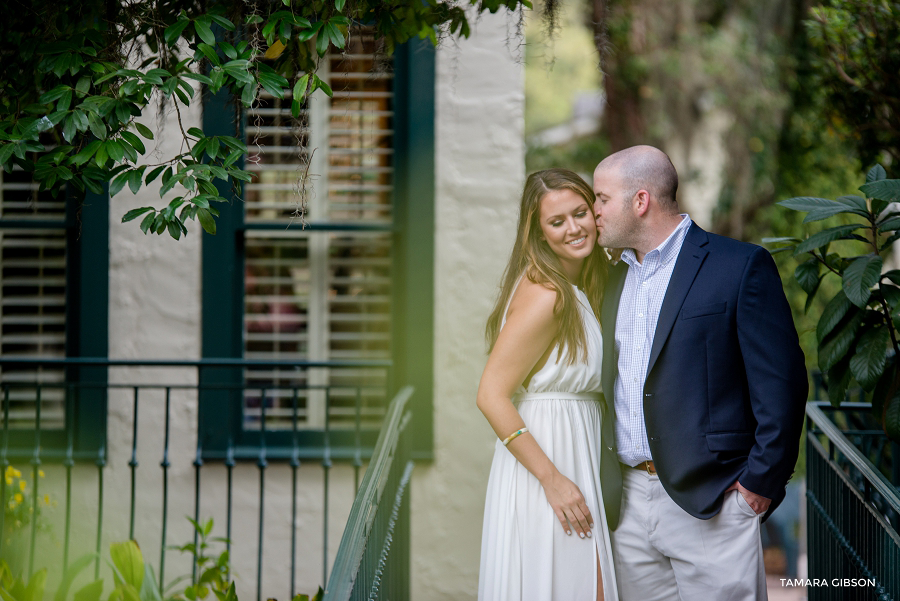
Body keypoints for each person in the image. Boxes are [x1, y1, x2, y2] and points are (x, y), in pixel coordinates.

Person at [593, 145, 807, 600]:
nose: (593, 212)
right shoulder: (612, 280)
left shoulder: (738, 266)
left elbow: (782, 385)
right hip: (627, 507)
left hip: (715, 504)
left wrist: (757, 487)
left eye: (601, 198)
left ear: (641, 200)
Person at [477, 168, 619, 601]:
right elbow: (490, 395)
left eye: (580, 213)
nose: (574, 228)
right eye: (557, 222)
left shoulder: (573, 288)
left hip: (572, 453)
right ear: (538, 234)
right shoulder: (547, 295)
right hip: (548, 461)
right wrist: (551, 479)